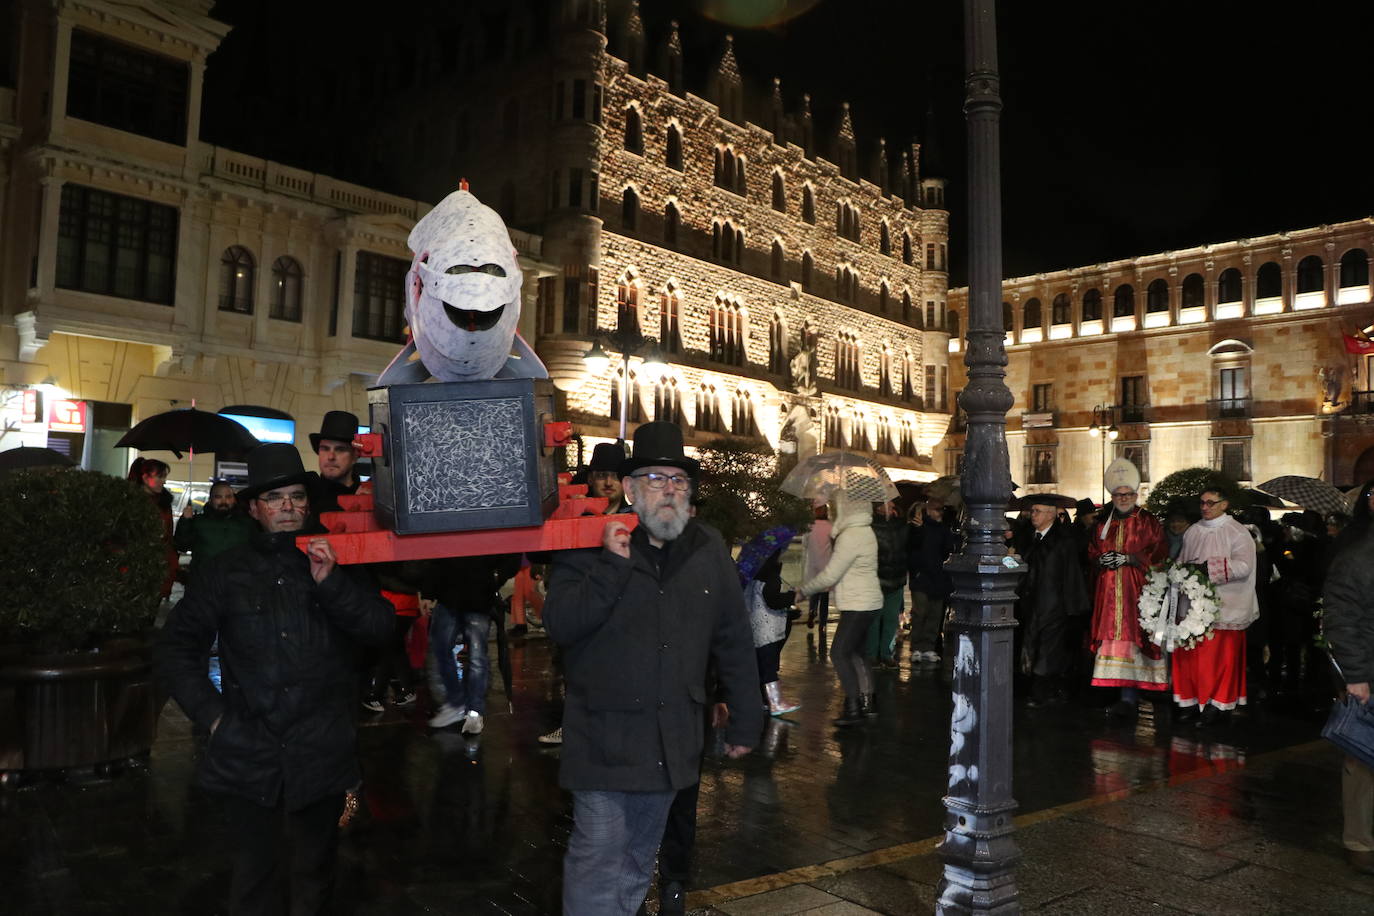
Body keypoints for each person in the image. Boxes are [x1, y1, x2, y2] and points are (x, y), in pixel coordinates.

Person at [157, 443, 393, 915]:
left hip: (320, 749)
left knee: (314, 878)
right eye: (275, 498)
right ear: (254, 508)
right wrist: (216, 719)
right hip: (250, 749)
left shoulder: (335, 557)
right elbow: (177, 648)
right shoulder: (227, 572)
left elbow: (381, 628)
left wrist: (333, 584)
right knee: (253, 880)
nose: (288, 507)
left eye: (297, 496)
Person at [543, 421, 760, 915]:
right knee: (597, 860)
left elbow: (733, 636)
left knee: (639, 862)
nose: (669, 490)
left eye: (678, 481)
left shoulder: (707, 546)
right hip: (604, 737)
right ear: (629, 488)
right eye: (655, 479)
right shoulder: (589, 539)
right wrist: (610, 568)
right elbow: (560, 623)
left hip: (671, 739)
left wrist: (747, 718)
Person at [1087, 458, 1168, 717]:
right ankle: (1122, 696)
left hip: (1137, 590)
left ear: (1135, 494)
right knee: (1113, 640)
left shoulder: (1147, 520)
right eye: (1118, 494)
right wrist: (1101, 559)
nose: (1122, 498)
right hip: (1109, 591)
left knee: (1137, 638)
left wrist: (1131, 559)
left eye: (1127, 494)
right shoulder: (1103, 523)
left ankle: (1136, 695)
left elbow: (1159, 552)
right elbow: (1091, 551)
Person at [1173, 487, 1259, 726]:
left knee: (1221, 658)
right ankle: (1191, 702)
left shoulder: (1237, 532)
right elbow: (1183, 560)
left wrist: (1208, 570)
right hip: (1193, 607)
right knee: (1193, 657)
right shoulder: (1193, 531)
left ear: (1224, 504)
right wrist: (1178, 572)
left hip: (1226, 606)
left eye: (1210, 503)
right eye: (1202, 503)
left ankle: (1218, 704)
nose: (1205, 507)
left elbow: (1244, 566)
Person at [1324, 478, 1374, 874]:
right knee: (1362, 758)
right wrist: (1355, 676)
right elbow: (1340, 618)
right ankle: (1359, 841)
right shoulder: (1358, 553)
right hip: (1368, 671)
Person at [799, 493, 882, 726]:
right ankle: (868, 702)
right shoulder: (864, 530)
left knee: (838, 653)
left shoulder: (851, 535)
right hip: (867, 601)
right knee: (857, 652)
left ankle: (853, 707)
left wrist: (804, 590)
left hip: (858, 603)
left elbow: (831, 573)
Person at [421, 553, 520, 734]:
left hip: (467, 593)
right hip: (467, 592)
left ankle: (462, 706)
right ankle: (468, 708)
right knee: (471, 655)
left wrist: (495, 577)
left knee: (466, 654)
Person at [1016, 496, 1090, 707]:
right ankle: (1034, 686)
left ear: (1050, 514)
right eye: (1033, 511)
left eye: (1038, 511)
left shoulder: (1063, 541)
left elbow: (1071, 575)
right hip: (1031, 602)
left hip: (1054, 604)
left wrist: (1073, 607)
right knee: (1032, 642)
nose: (1033, 515)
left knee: (1049, 647)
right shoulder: (1030, 538)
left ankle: (1041, 691)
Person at [737, 526, 801, 715]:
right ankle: (775, 702)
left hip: (755, 628)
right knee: (769, 667)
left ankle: (761, 701)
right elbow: (773, 601)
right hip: (769, 630)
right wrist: (792, 597)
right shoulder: (770, 577)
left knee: (760, 667)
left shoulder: (752, 575)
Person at [908, 499, 956, 664]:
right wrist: (918, 529)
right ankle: (916, 647)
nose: (940, 513)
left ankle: (928, 647)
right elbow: (913, 546)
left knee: (935, 615)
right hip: (922, 577)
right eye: (937, 510)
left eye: (941, 510)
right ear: (928, 511)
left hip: (939, 578)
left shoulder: (944, 530)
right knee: (920, 613)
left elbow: (948, 550)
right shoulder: (918, 527)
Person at [174, 479, 256, 575]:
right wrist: (185, 521)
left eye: (228, 497)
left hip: (237, 582)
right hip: (204, 581)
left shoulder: (246, 523)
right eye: (218, 497)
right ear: (210, 500)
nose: (224, 501)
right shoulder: (198, 522)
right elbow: (181, 545)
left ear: (234, 499)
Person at [866, 500, 909, 669]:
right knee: (874, 619)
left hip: (896, 579)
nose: (892, 506)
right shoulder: (869, 526)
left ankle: (885, 653)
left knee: (891, 619)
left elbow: (910, 544)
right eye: (888, 504)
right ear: (878, 508)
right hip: (876, 580)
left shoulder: (901, 526)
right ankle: (873, 654)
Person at [130, 456, 178, 600]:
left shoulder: (164, 503)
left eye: (164, 477)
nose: (164, 481)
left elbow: (168, 535)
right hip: (137, 564)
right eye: (160, 476)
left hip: (160, 564)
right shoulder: (132, 502)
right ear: (145, 478)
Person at [311, 410, 362, 509]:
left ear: (355, 456)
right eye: (325, 449)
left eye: (340, 449)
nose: (331, 457)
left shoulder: (370, 497)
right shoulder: (306, 498)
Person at [803, 500, 833, 630]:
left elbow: (805, 544)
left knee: (814, 591)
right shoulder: (830, 527)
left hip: (812, 565)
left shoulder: (809, 527)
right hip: (826, 565)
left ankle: (812, 611)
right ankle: (823, 624)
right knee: (825, 597)